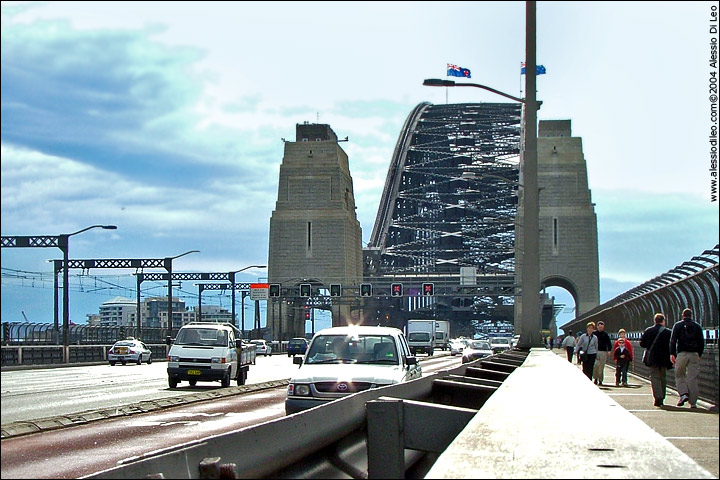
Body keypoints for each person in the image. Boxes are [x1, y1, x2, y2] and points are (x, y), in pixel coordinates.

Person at [669, 308, 705, 408]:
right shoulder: (697, 326)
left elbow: (673, 340)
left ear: (682, 315)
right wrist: (699, 354)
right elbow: (701, 342)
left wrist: (672, 353)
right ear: (691, 315)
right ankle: (693, 403)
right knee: (692, 378)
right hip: (694, 354)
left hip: (682, 354)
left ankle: (683, 394)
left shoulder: (678, 325)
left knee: (679, 374)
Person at [639, 313, 673, 407]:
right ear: (663, 321)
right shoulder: (668, 332)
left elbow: (642, 344)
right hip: (664, 358)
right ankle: (662, 397)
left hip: (653, 358)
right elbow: (672, 345)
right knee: (663, 377)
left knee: (654, 377)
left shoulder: (648, 331)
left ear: (655, 321)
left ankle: (658, 397)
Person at [592, 321, 613, 386]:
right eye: (600, 327)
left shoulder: (605, 334)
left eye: (602, 327)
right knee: (596, 365)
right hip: (596, 351)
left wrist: (609, 350)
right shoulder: (594, 334)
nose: (601, 328)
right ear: (597, 326)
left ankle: (600, 380)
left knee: (601, 366)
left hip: (603, 352)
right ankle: (595, 378)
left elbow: (608, 343)